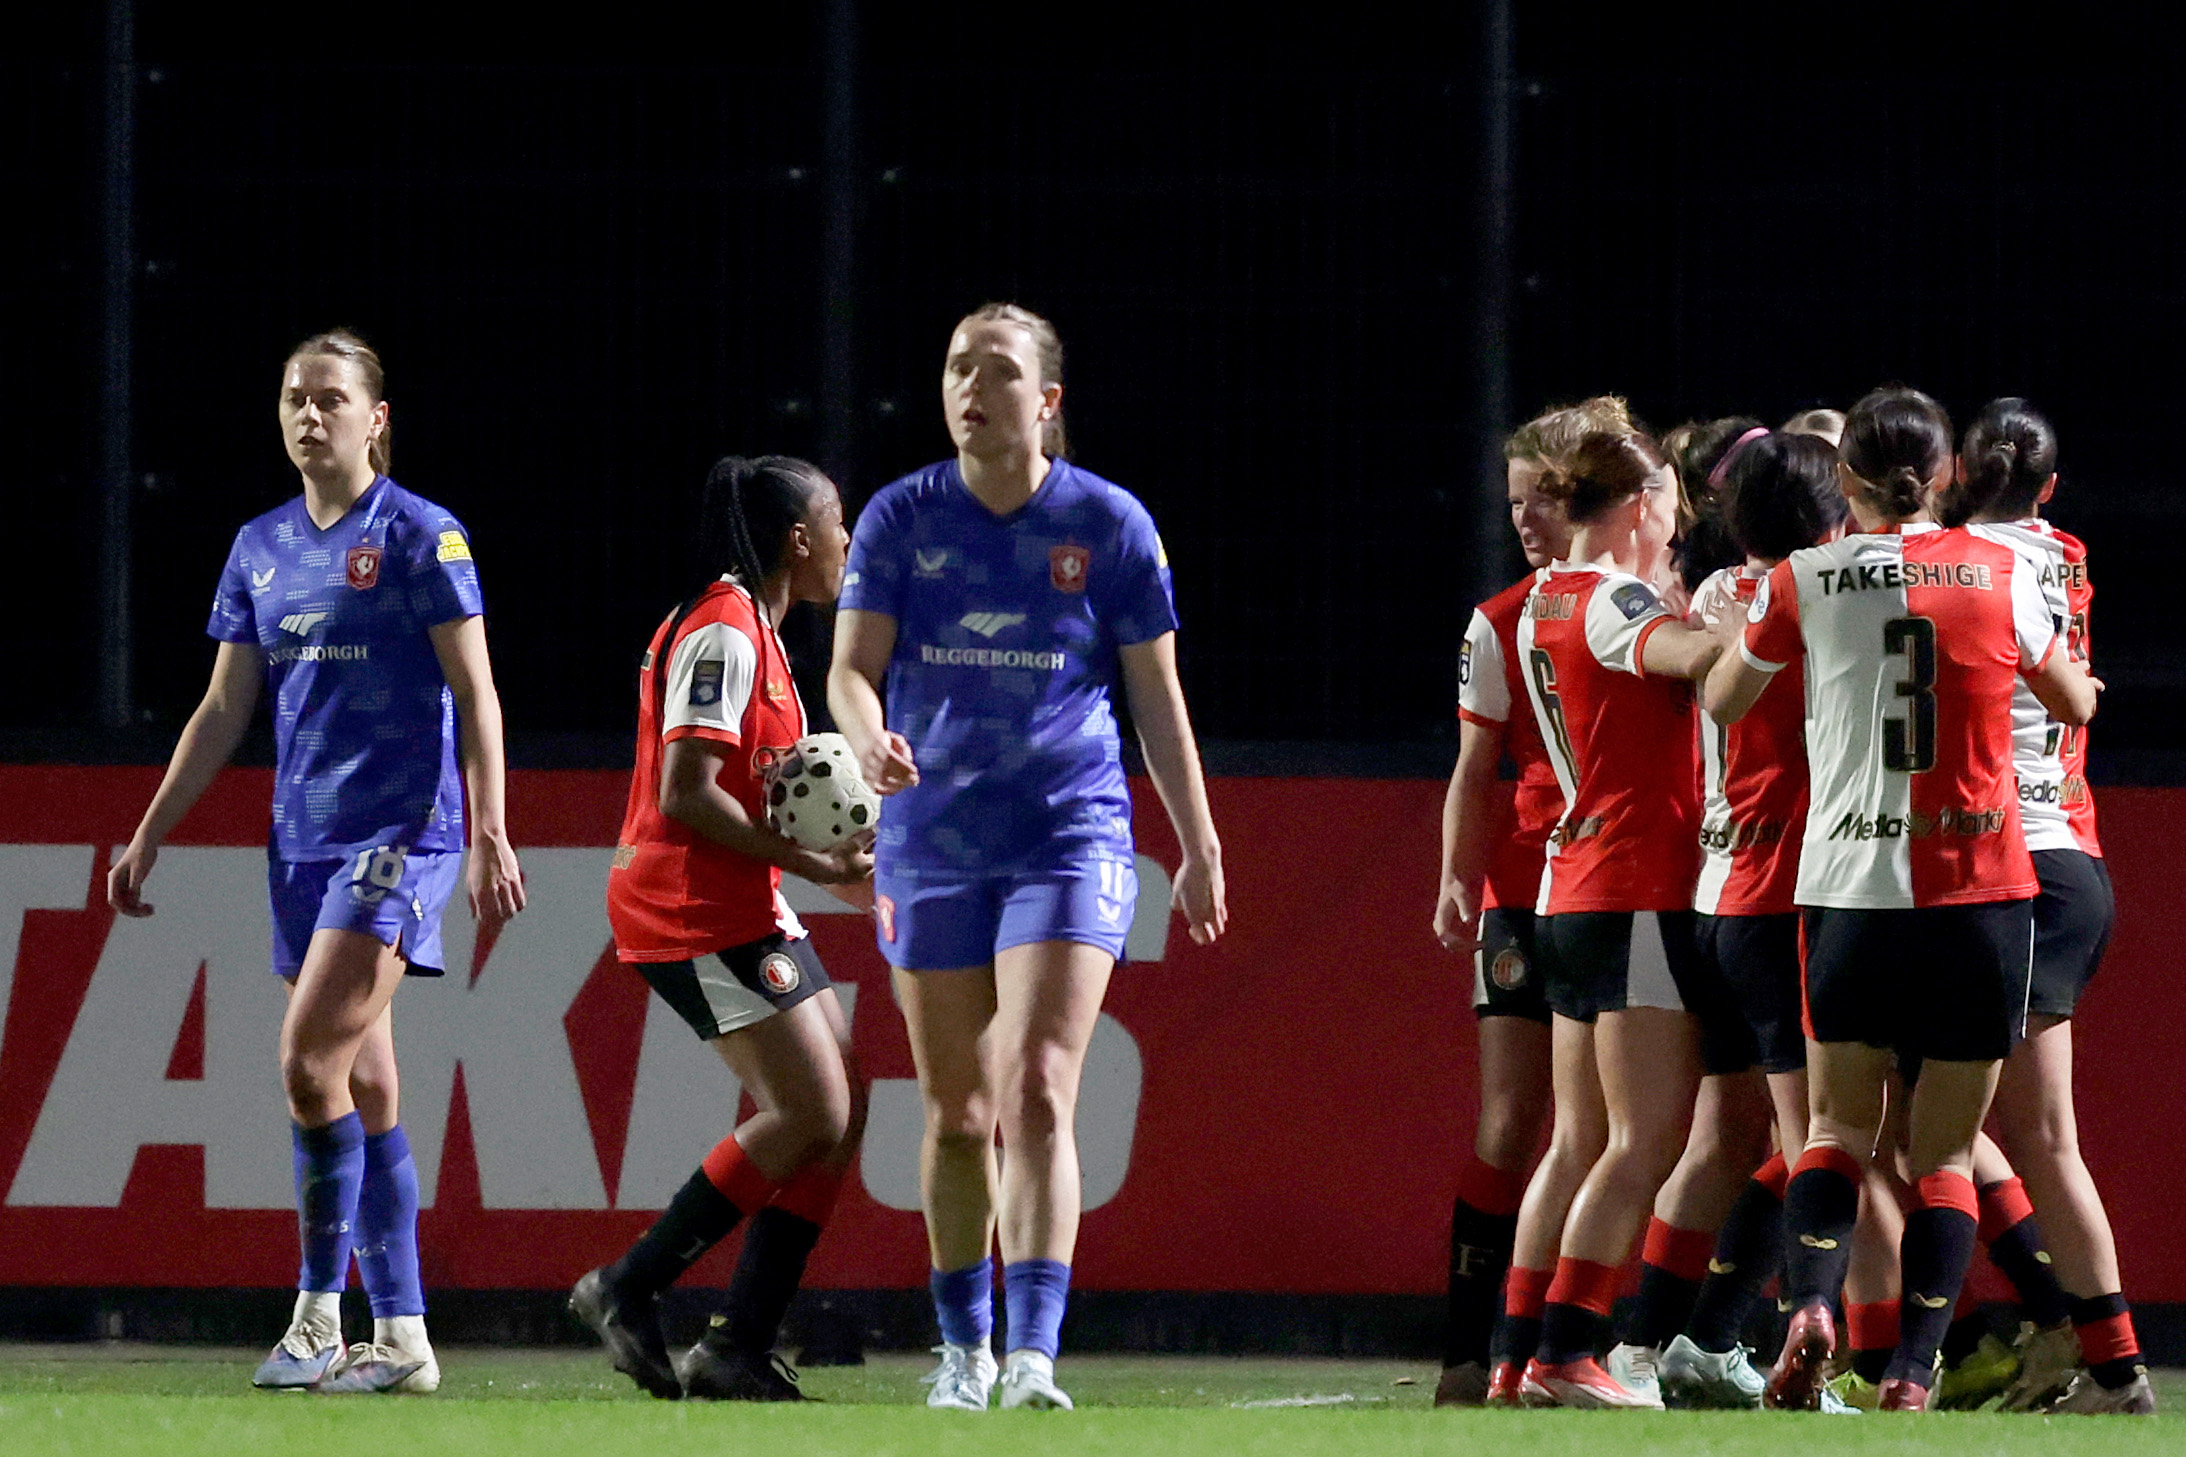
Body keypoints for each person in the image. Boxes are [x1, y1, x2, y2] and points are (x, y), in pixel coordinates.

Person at [107, 329, 525, 1394]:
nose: (308, 415)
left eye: (330, 398)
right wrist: (151, 828)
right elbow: (223, 706)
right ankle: (407, 1338)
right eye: (293, 397)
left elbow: (475, 692)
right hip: (301, 840)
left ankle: (314, 1315)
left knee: (304, 1060)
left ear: (375, 418)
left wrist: (488, 829)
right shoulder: (259, 545)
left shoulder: (426, 537)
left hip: (402, 835)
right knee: (366, 1081)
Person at [828, 303, 1226, 1413]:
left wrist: (1195, 840)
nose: (969, 386)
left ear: (1044, 400)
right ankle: (962, 1350)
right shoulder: (899, 519)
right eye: (955, 366)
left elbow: (1156, 692)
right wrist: (863, 732)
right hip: (930, 839)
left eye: (995, 370)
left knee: (1040, 1086)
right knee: (955, 1110)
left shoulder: (1107, 524)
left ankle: (1035, 1353)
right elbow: (850, 670)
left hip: (1070, 833)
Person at [1704, 386, 2099, 1412]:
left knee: (1832, 1127)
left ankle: (1810, 1307)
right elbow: (2065, 699)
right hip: (1978, 890)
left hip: (1846, 888)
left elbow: (1721, 695)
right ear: (1947, 475)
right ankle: (1914, 1370)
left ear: (1845, 482)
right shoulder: (2002, 569)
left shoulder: (1804, 575)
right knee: (1943, 1149)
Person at [570, 455, 871, 1402]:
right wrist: (815, 863)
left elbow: (761, 793)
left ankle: (737, 1343)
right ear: (797, 540)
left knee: (844, 1100)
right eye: (838, 524)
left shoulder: (767, 637)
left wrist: (830, 844)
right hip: (686, 903)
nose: (847, 543)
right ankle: (629, 1285)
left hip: (738, 897)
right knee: (812, 1110)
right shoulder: (725, 632)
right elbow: (685, 793)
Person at [1495, 430, 1728, 1409]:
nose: (1675, 519)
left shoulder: (1543, 595)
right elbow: (1686, 653)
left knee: (1578, 1139)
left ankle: (1514, 1356)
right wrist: (1769, 626)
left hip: (1569, 886)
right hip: (1631, 883)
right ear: (1637, 503)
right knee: (1641, 1139)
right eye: (1667, 500)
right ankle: (1567, 1350)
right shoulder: (1609, 596)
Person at [1941, 401, 2153, 1415]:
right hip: (2062, 847)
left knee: (2022, 1132)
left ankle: (2102, 1359)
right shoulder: (2061, 549)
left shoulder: (1947, 559)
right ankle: (2058, 1326)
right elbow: (2073, 689)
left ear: (1952, 472)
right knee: (1926, 1110)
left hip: (2013, 857)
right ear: (2049, 489)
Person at [1432, 395, 1630, 1406]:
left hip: (1611, 881)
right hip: (1530, 888)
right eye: (1512, 502)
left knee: (1604, 1126)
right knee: (1515, 1119)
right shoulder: (1499, 622)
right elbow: (1474, 766)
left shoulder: (1626, 601)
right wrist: (1455, 872)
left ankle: (1566, 1336)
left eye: (1539, 499)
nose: (1522, 519)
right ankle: (1473, 1349)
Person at [1650, 430, 1849, 1408]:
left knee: (1731, 1139)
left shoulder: (1718, 593)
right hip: (1783, 892)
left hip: (1714, 894)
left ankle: (1662, 1341)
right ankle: (1737, 1341)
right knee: (1819, 1136)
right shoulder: (1813, 598)